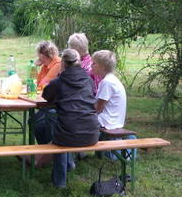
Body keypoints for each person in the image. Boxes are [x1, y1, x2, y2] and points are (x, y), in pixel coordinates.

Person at [42, 49, 99, 188]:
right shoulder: (88, 80)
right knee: (65, 124)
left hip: (68, 135)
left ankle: (59, 182)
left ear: (63, 64)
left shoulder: (59, 81)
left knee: (57, 125)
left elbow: (46, 96)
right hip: (92, 133)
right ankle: (69, 164)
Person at [91, 50, 136, 159]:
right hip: (114, 119)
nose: (92, 66)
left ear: (102, 66)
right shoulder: (111, 79)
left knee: (76, 121)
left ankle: (77, 152)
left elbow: (98, 109)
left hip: (108, 121)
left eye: (94, 63)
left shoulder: (107, 82)